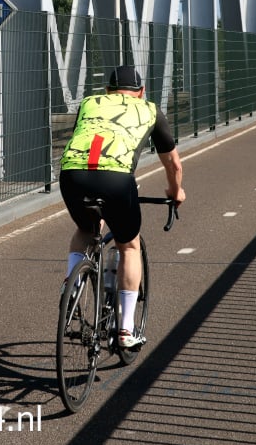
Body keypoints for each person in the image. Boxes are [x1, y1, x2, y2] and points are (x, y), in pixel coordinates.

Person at [58, 65, 184, 349]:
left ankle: (72, 284)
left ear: (108, 91)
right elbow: (174, 164)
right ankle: (125, 330)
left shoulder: (90, 102)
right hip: (115, 179)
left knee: (86, 227)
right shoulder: (150, 110)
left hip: (72, 174)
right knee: (129, 245)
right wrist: (176, 192)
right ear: (141, 92)